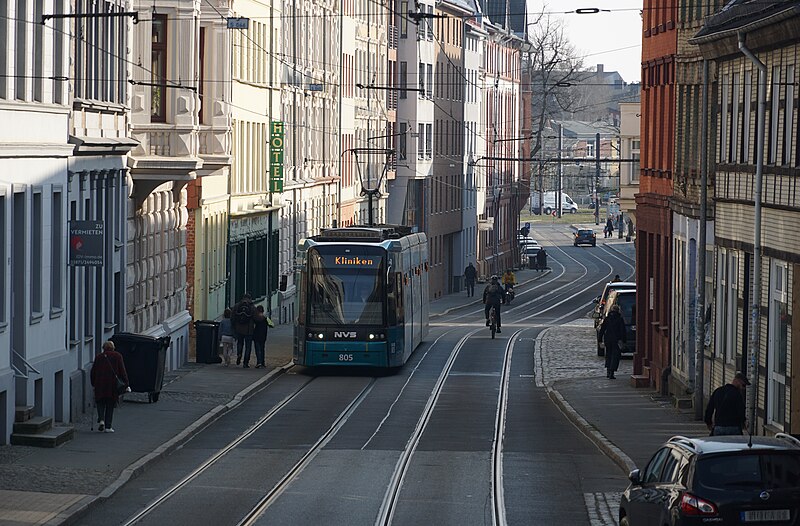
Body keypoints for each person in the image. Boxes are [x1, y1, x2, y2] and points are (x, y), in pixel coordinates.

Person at [90, 340, 129, 433]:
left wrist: (93, 383)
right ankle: (108, 427)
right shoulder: (118, 356)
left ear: (104, 348)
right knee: (110, 405)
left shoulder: (99, 357)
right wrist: (126, 383)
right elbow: (122, 371)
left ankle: (101, 420)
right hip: (112, 385)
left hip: (100, 384)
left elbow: (93, 371)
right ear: (113, 347)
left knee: (100, 402)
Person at [598, 304, 626, 379]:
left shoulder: (607, 318)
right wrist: (623, 340)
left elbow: (602, 329)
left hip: (608, 339)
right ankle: (612, 372)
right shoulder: (620, 319)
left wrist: (600, 339)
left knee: (608, 355)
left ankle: (608, 371)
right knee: (615, 356)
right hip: (616, 340)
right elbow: (622, 331)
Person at [232, 293, 255, 367]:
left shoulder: (237, 305)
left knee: (240, 343)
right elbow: (256, 318)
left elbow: (232, 317)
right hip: (249, 330)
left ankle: (239, 354)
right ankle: (245, 362)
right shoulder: (252, 306)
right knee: (248, 347)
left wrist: (234, 327)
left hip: (239, 329)